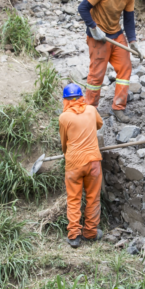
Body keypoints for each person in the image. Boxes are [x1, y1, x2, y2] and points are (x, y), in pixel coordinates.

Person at [77, 0, 145, 124]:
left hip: (116, 35)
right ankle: (91, 110)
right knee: (97, 74)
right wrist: (93, 27)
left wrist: (133, 42)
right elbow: (83, 8)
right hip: (98, 38)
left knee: (125, 68)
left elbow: (128, 21)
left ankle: (118, 108)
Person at [59, 84, 104, 249]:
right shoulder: (91, 110)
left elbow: (64, 142)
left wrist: (67, 154)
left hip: (73, 164)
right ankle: (90, 232)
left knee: (73, 199)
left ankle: (74, 237)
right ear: (81, 97)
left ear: (65, 100)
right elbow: (99, 125)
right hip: (93, 162)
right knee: (93, 197)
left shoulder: (64, 117)